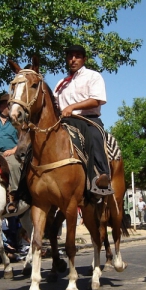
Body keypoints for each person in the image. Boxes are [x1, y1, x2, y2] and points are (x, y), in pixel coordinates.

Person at [53, 44, 112, 193]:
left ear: (84, 59)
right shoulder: (61, 83)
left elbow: (96, 100)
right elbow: (54, 105)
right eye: (70, 56)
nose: (73, 60)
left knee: (94, 136)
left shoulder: (93, 76)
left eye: (77, 56)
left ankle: (101, 176)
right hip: (63, 122)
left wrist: (71, 107)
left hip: (88, 120)